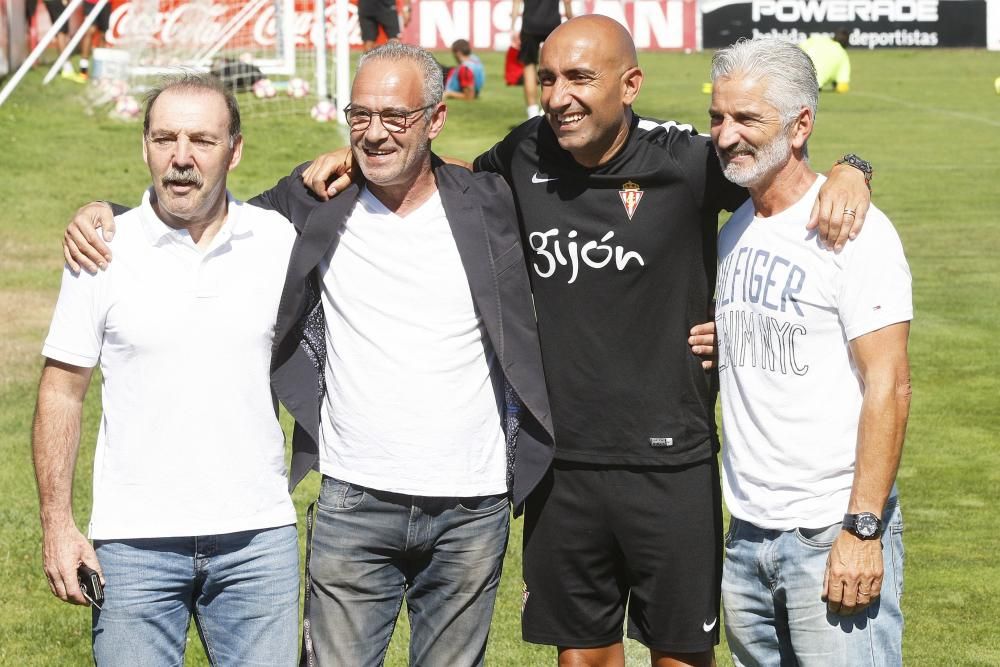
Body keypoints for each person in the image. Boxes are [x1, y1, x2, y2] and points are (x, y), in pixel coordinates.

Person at [297, 14, 874, 667]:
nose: (558, 95)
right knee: (582, 656)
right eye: (547, 78)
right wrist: (367, 154)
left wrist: (852, 169)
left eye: (579, 78)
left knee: (680, 654)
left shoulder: (686, 161)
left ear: (629, 84)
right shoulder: (524, 153)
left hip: (672, 461)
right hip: (561, 463)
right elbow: (447, 181)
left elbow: (783, 182)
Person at [61, 43, 556, 667]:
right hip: (354, 501)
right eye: (360, 116)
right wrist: (106, 216)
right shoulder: (313, 202)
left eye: (395, 117)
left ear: (436, 119)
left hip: (472, 506)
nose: (374, 135)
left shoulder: (490, 201)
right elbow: (198, 210)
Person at [32, 73, 299, 665]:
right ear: (144, 147)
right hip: (132, 546)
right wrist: (58, 523)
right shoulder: (101, 250)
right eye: (165, 139)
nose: (181, 158)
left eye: (202, 141)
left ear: (236, 149)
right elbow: (61, 391)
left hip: (257, 541)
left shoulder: (277, 241)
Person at [709, 36, 910, 665]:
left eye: (746, 119)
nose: (723, 136)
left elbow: (890, 385)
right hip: (744, 537)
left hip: (830, 535)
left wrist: (863, 529)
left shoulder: (853, 230)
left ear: (800, 125)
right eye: (717, 116)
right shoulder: (734, 227)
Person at [510, 0, 572, 118]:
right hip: (552, 24)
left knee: (529, 66)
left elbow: (516, 3)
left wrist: (512, 27)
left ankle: (532, 113)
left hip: (530, 25)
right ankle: (548, 109)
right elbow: (567, 2)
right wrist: (572, 22)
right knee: (556, 67)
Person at [78, 0, 110, 78]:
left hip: (105, 3)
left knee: (103, 34)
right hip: (90, 2)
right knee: (90, 31)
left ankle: (100, 68)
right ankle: (83, 69)